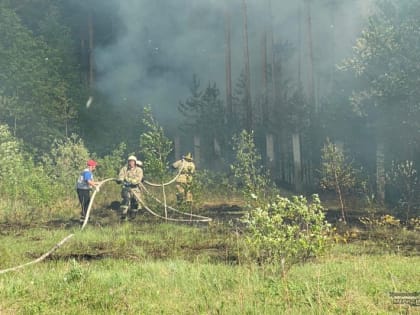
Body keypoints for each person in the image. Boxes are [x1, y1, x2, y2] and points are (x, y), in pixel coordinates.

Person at [116, 155, 143, 221]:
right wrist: (120, 180)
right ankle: (123, 215)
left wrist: (128, 180)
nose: (130, 163)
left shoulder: (139, 170)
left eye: (132, 161)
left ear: (135, 162)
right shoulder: (124, 169)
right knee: (126, 199)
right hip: (126, 188)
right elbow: (121, 176)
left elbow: (138, 179)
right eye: (129, 161)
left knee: (135, 202)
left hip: (136, 189)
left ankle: (132, 217)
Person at [76, 159, 99, 223]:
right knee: (84, 204)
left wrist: (97, 183)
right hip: (82, 190)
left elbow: (90, 181)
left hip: (85, 190)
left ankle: (86, 217)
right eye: (94, 165)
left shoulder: (88, 172)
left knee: (87, 204)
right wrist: (95, 187)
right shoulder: (87, 172)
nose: (95, 167)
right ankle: (83, 219)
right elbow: (88, 181)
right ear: (91, 166)